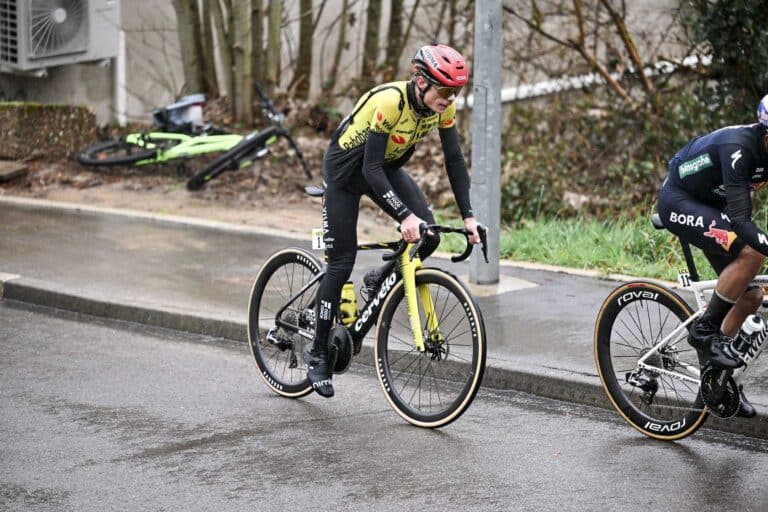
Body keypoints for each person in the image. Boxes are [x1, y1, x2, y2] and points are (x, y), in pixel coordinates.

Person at [304, 43, 482, 398]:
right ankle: (318, 354)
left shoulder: (440, 108)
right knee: (341, 263)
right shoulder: (389, 101)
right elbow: (368, 168)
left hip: (383, 170)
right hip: (347, 174)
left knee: (428, 236)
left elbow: (454, 160)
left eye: (456, 91)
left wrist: (469, 217)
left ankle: (379, 278)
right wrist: (403, 216)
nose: (449, 99)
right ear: (420, 81)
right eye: (445, 90)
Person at [657, 93, 768, 417]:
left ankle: (718, 378)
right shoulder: (739, 148)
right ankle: (704, 332)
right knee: (751, 253)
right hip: (679, 201)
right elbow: (742, 219)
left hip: (710, 208)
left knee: (750, 297)